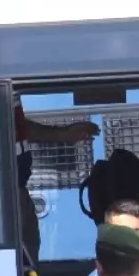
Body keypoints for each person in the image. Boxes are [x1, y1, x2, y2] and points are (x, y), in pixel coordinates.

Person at [13, 95, 99, 266]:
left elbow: (18, 125)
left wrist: (64, 135)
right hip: (6, 192)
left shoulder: (10, 95)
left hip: (19, 187)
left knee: (29, 256)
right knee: (23, 262)